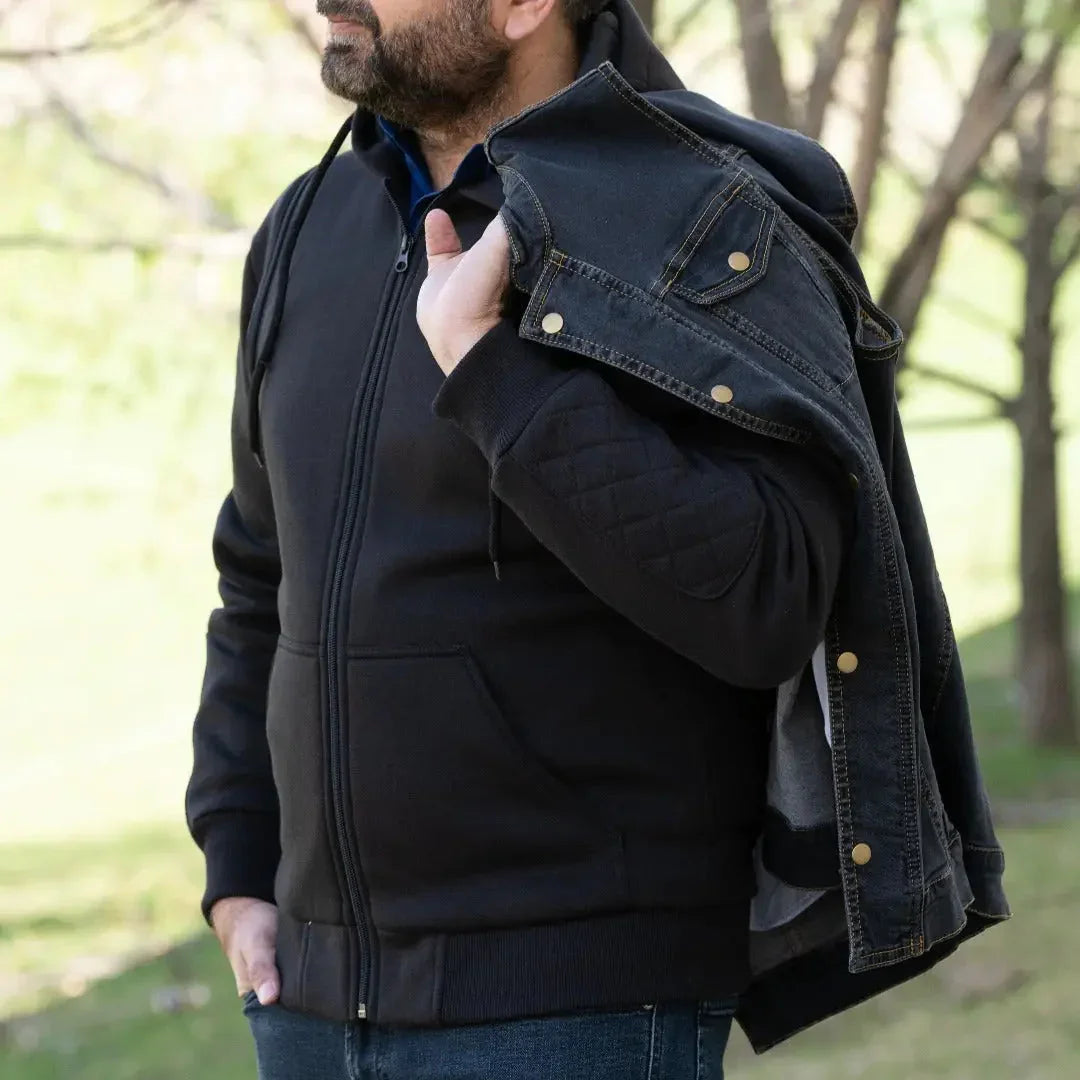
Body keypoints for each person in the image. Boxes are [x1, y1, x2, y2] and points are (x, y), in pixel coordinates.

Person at [184, 1, 860, 1076]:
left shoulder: (703, 214)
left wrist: (494, 377)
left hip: (573, 1010)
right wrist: (235, 862)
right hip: (306, 1005)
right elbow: (262, 575)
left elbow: (769, 593)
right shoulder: (306, 226)